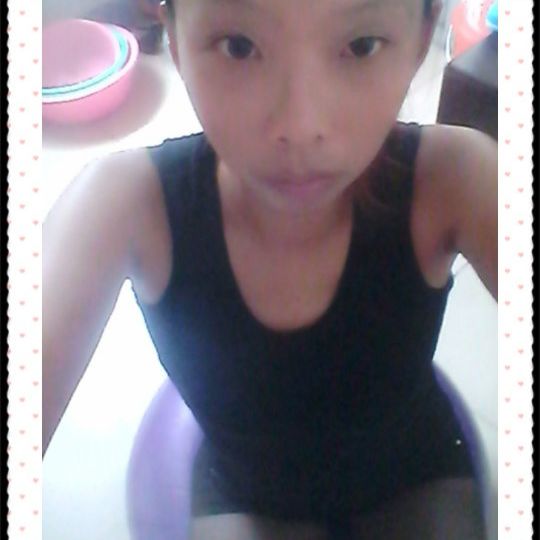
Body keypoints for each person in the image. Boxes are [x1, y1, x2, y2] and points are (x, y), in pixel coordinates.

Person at [43, 0, 497, 538]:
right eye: (239, 46)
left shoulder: (457, 180)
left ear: (421, 40)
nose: (300, 128)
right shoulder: (123, 205)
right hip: (241, 490)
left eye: (360, 46)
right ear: (178, 44)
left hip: (414, 475)